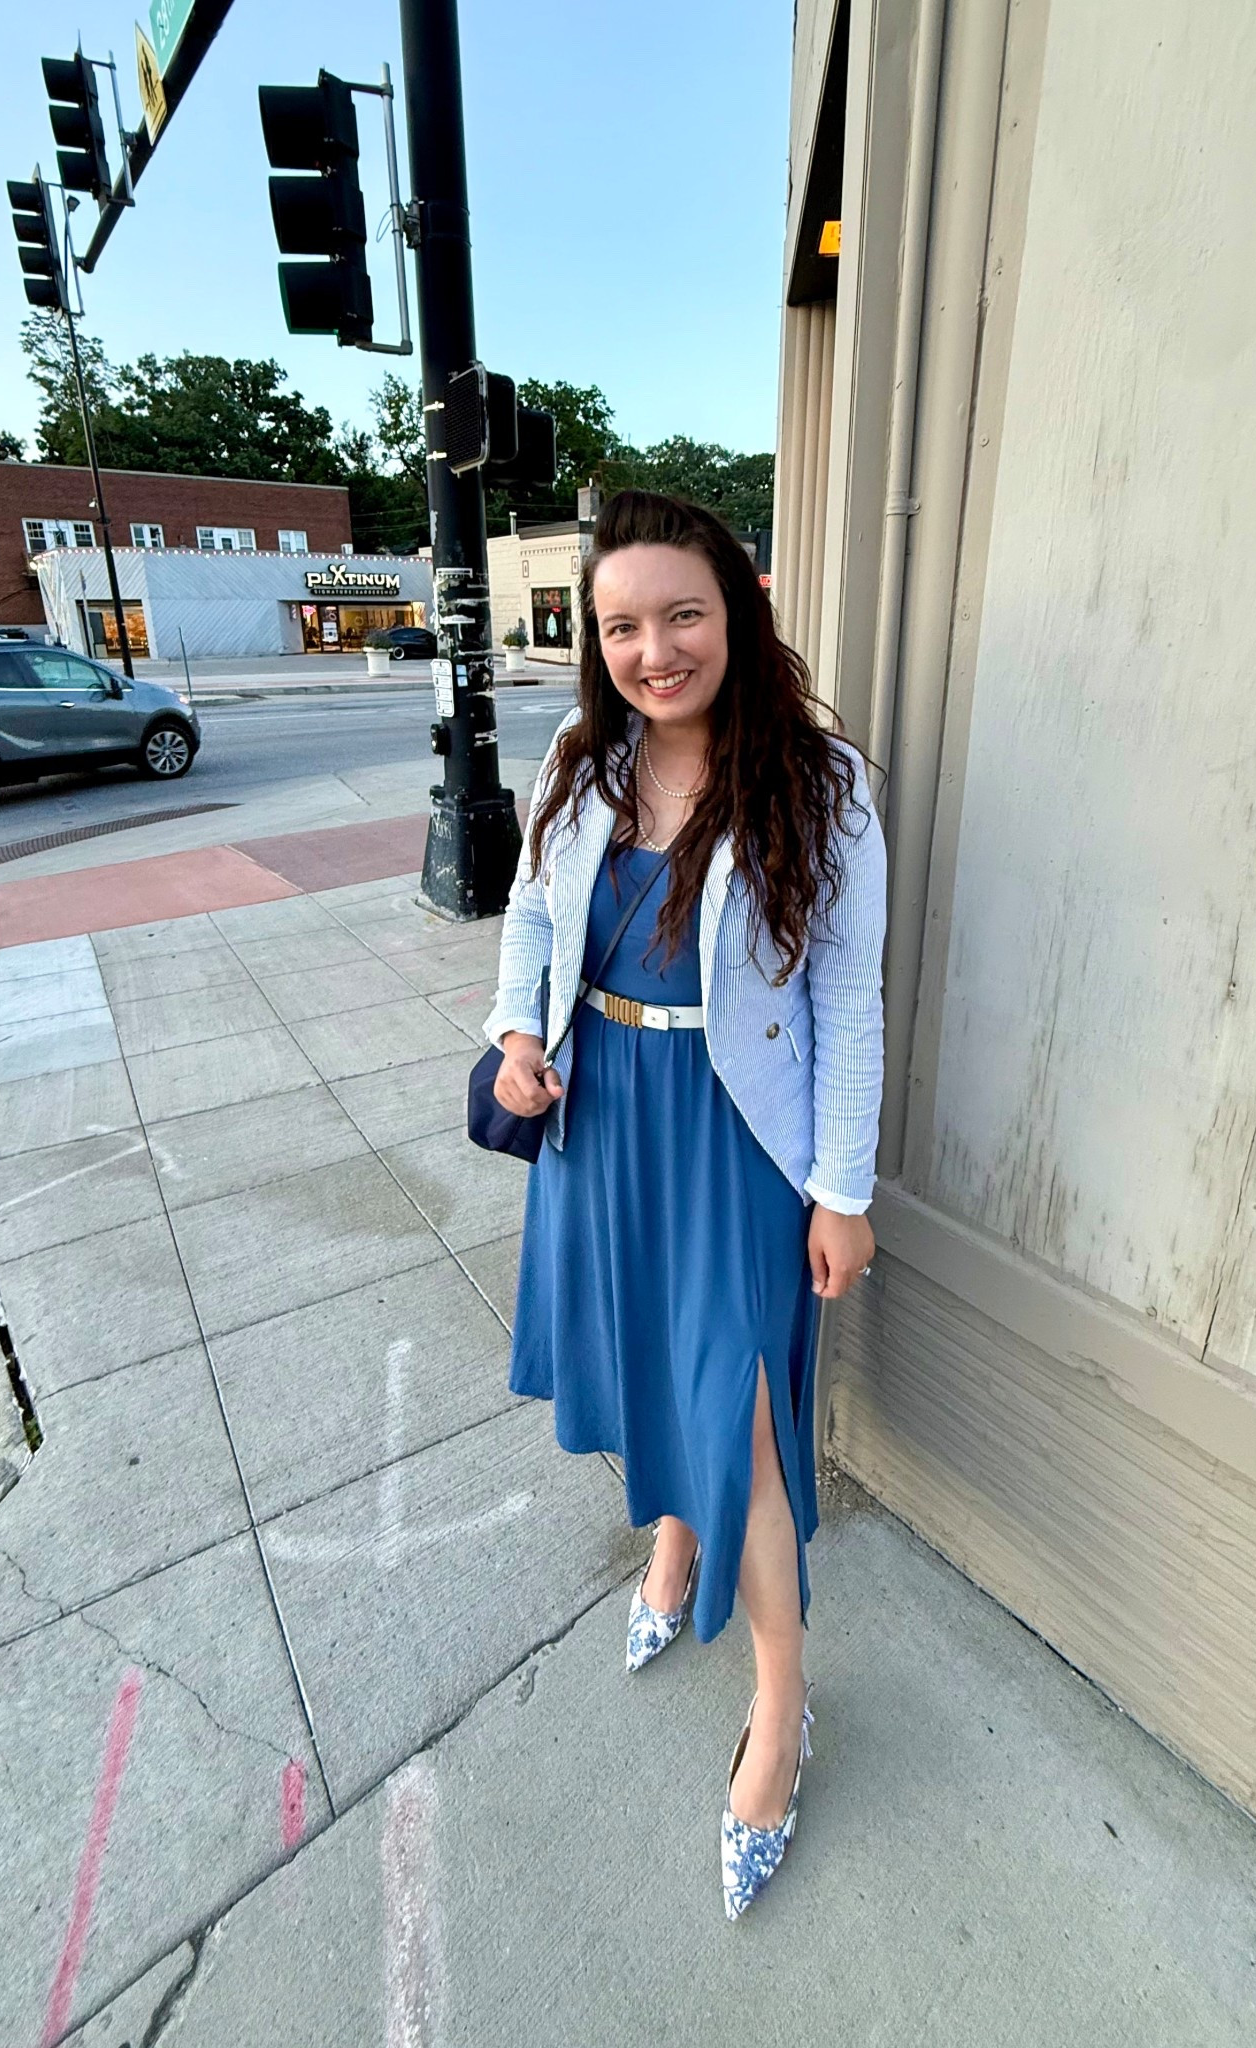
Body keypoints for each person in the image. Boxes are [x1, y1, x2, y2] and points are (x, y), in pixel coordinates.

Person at [483, 489, 886, 1919]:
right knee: (648, 1365)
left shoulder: (817, 781)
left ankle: (781, 1709)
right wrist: (518, 1035)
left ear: (738, 612)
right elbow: (535, 911)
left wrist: (842, 1190)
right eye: (621, 626)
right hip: (603, 1126)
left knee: (753, 1431)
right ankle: (668, 1545)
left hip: (735, 1144)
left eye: (682, 616)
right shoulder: (583, 758)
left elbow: (848, 996)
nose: (654, 649)